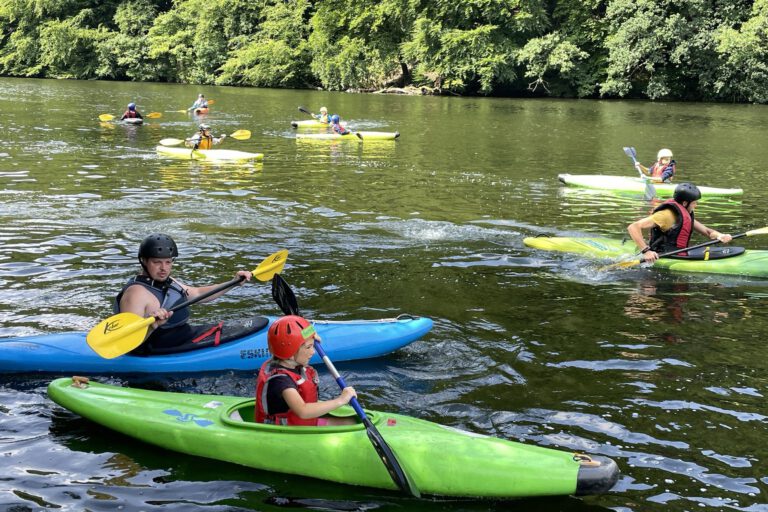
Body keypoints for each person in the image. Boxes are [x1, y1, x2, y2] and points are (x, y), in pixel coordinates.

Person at [114, 234, 254, 354]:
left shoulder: (167, 282)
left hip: (185, 336)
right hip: (162, 351)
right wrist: (152, 326)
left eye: (168, 262)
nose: (163, 268)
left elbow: (198, 293)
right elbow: (128, 344)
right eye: (157, 262)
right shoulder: (135, 294)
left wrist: (233, 283)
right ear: (144, 261)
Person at [255, 315, 357, 426]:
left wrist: (310, 335)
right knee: (350, 424)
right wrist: (341, 400)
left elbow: (291, 337)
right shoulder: (281, 381)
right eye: (309, 347)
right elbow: (303, 411)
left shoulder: (290, 362)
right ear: (290, 352)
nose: (313, 351)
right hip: (285, 431)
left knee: (351, 421)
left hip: (302, 423)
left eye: (313, 346)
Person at [627, 182, 732, 263]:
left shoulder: (684, 214)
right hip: (661, 255)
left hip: (677, 253)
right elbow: (633, 227)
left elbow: (707, 231)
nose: (696, 205)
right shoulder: (666, 215)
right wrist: (646, 251)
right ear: (685, 203)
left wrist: (720, 235)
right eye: (694, 203)